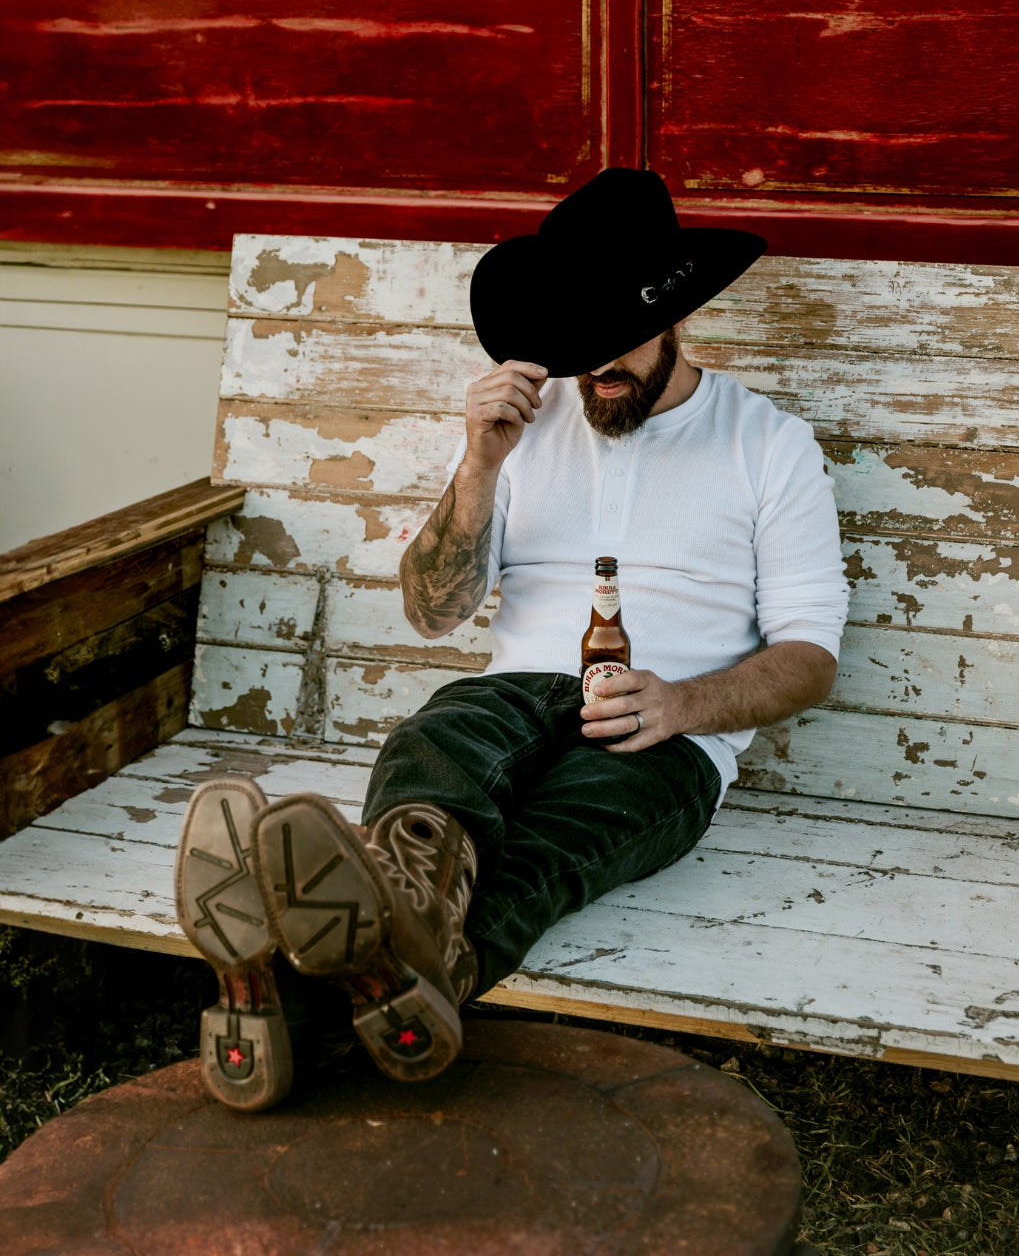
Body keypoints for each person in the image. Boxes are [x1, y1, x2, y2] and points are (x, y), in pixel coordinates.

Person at [174, 168, 849, 1112]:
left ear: (675, 315)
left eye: (616, 339)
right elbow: (432, 612)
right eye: (579, 340)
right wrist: (480, 464)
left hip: (665, 735)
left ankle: (284, 997)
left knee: (547, 851)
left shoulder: (766, 444)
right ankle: (387, 959)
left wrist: (680, 703)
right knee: (435, 751)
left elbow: (810, 656)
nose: (595, 367)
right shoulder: (524, 428)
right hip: (512, 693)